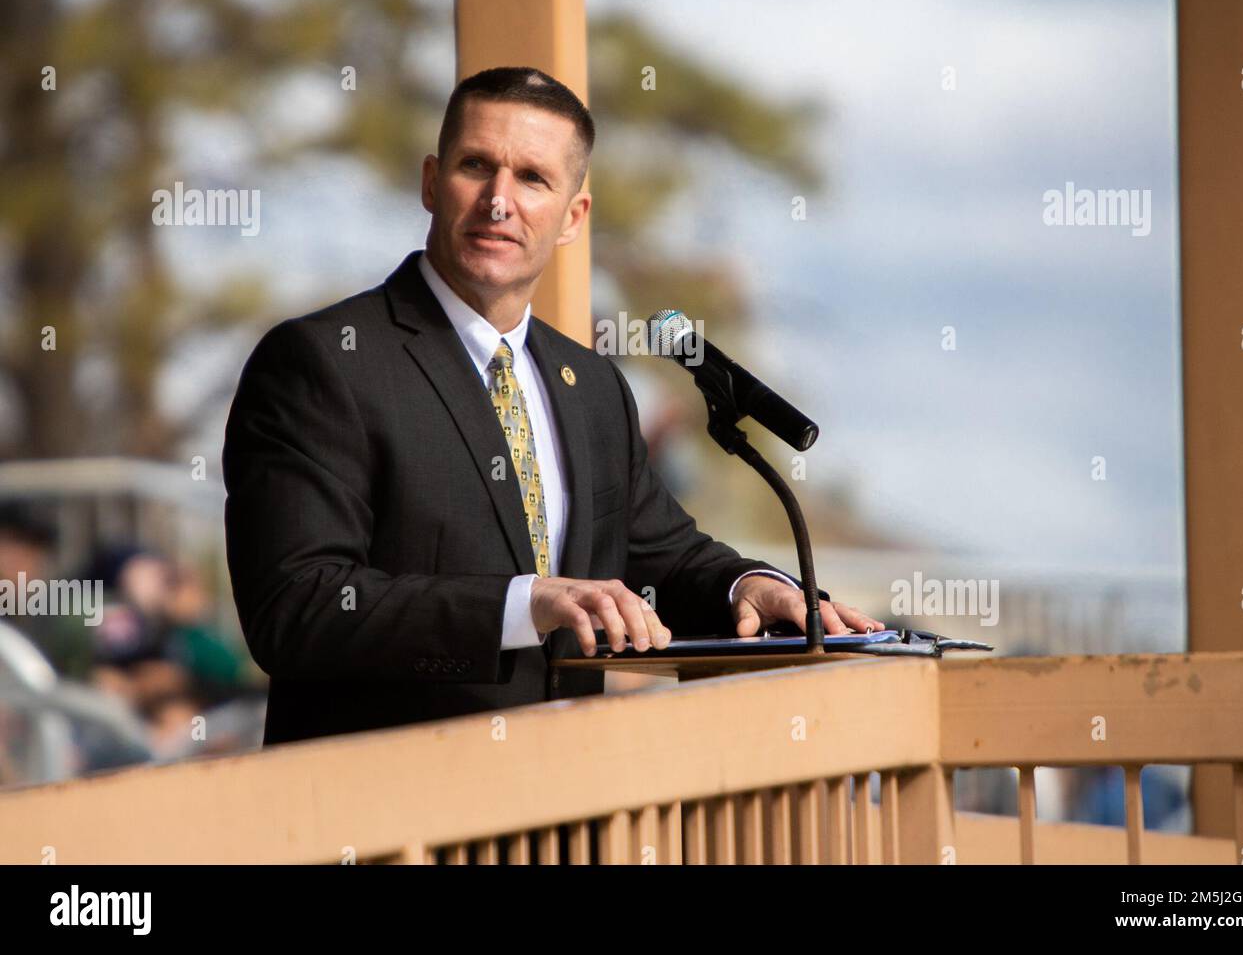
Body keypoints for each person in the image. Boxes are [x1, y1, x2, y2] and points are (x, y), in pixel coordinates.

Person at [223, 66, 883, 746]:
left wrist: (746, 586)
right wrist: (524, 602)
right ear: (430, 181)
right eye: (477, 166)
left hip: (560, 811)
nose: (499, 201)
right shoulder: (325, 361)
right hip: (386, 827)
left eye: (532, 178)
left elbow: (664, 555)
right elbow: (296, 607)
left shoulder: (592, 385)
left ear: (573, 216)